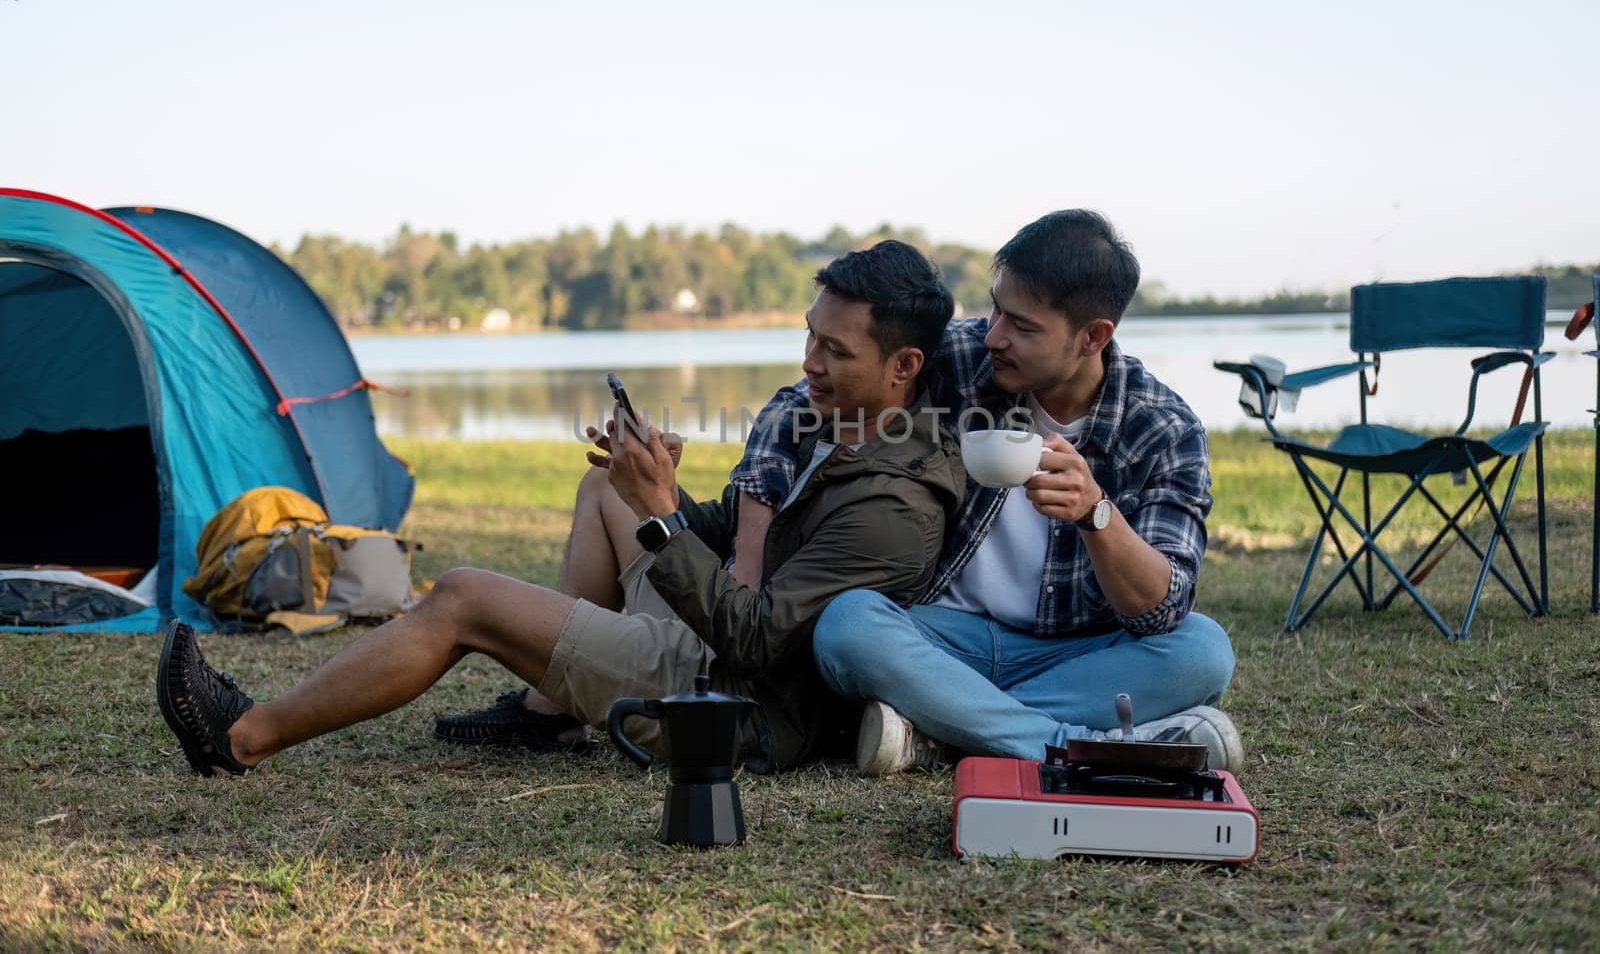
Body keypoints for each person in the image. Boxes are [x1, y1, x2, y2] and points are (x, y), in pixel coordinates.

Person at [155, 241, 964, 775]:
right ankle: (554, 710)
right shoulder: (838, 429)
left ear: (903, 366)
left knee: (464, 596)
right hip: (708, 633)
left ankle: (240, 736)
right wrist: (659, 489)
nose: (809, 363)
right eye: (809, 336)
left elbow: (756, 643)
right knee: (599, 484)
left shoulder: (895, 508)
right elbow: (722, 533)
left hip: (729, 702)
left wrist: (659, 515)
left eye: (835, 350)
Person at [731, 210, 1243, 775]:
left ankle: (940, 732)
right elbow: (790, 408)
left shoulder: (1163, 428)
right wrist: (749, 555)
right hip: (936, 634)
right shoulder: (965, 357)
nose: (995, 334)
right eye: (996, 307)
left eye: (1023, 327)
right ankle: (1062, 743)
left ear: (1093, 336)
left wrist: (1097, 515)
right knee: (847, 623)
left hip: (1074, 651)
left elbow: (1161, 609)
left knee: (1203, 650)